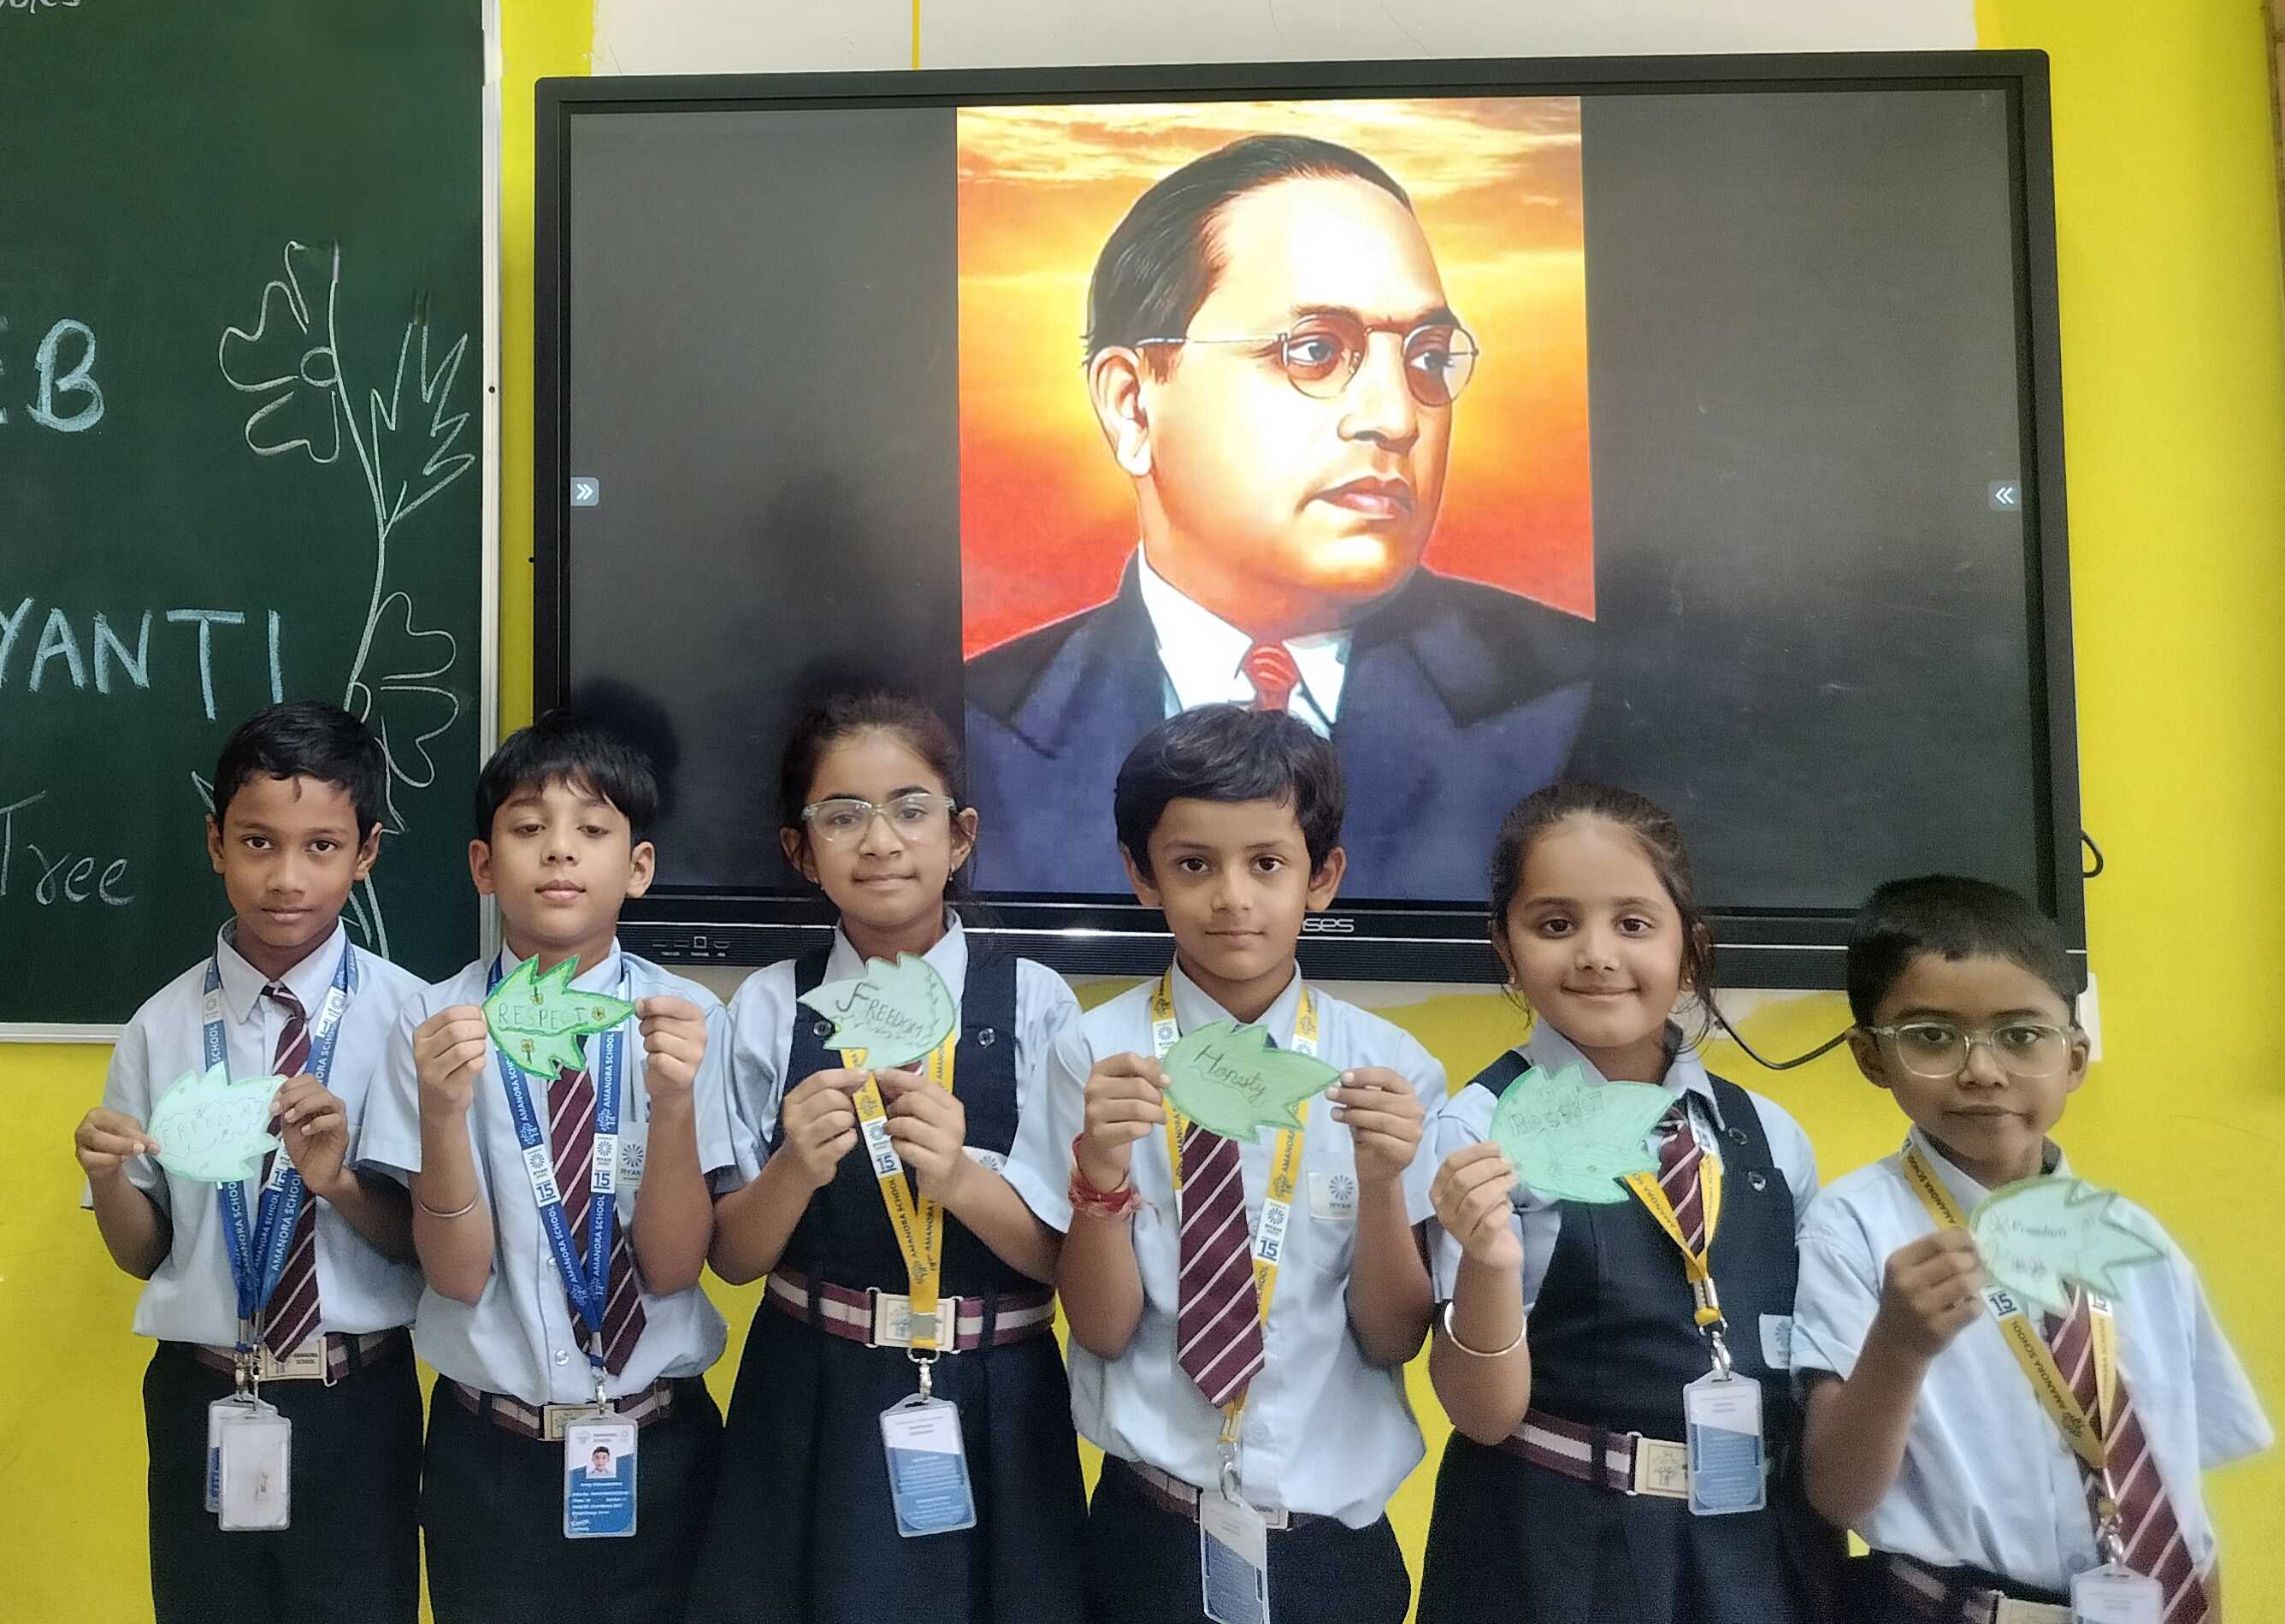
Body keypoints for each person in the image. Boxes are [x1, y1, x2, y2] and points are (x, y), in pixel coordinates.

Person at [967, 133, 1590, 902]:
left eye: (1428, 358)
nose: (1397, 418)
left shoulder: (1583, 695)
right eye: (1316, 351)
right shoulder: (974, 727)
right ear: (1132, 405)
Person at [689, 691, 1087, 1624]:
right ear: (801, 850)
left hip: (997, 1389)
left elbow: (1064, 1259)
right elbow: (732, 1258)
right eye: (842, 816)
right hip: (809, 1384)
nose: (880, 842)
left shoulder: (1035, 1003)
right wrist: (793, 1169)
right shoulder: (767, 1007)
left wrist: (960, 1180)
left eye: (911, 809)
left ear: (960, 836)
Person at [1044, 703, 1445, 1624]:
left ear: (1322, 876)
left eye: (1267, 863)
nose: (1232, 897)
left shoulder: (1384, 1071)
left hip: (1332, 1543)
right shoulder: (1096, 1056)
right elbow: (1100, 1329)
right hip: (1150, 1523)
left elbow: (1393, 1338)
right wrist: (1100, 1170)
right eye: (1194, 864)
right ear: (1141, 875)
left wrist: (1383, 1181)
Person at [1795, 876, 2266, 1621]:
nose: (1982, 1071)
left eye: (2020, 1036)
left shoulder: (2137, 1241)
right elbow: (1838, 1496)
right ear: (1870, 1057)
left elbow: (2178, 1495)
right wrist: (1899, 1346)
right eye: (1931, 1037)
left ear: (2074, 1058)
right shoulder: (1852, 1228)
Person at [1414, 782, 1827, 1623]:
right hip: (1556, 1547)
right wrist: (1488, 1258)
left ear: (1690, 949)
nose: (1597, 954)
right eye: (1554, 925)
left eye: (1633, 923)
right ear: (1504, 948)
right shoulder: (1481, 1128)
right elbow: (1482, 1413)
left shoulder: (1768, 1136)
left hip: (1754, 1547)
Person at [363, 712, 742, 1623]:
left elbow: (673, 1269)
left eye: (592, 829)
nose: (560, 850)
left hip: (660, 1442)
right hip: (489, 1455)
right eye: (529, 827)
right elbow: (455, 1276)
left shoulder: (687, 1019)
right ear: (483, 865)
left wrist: (675, 1102)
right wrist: (444, 1113)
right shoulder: (433, 1024)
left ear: (638, 867)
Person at [78, 700, 432, 1624]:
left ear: (366, 853)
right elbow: (142, 1254)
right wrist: (107, 1177)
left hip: (357, 1396)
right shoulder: (159, 1028)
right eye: (258, 842)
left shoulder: (413, 1021)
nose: (285, 877)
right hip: (202, 1393)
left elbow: (422, 1245)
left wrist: (338, 1182)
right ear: (215, 843)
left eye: (322, 847)